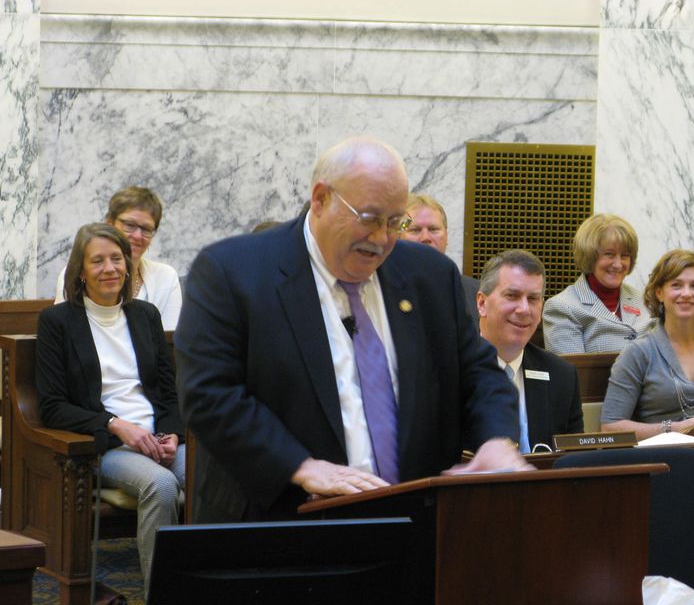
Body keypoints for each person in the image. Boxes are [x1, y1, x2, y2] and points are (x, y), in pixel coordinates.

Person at [174, 136, 530, 522]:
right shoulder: (233, 272)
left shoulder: (430, 276)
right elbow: (209, 394)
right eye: (369, 218)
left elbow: (478, 374)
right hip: (281, 525)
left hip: (411, 528)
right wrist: (301, 466)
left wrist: (496, 441)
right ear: (321, 198)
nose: (381, 239)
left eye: (396, 222)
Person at [36, 223, 185, 591]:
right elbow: (53, 407)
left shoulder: (145, 315)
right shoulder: (58, 322)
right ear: (81, 271)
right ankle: (159, 593)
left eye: (117, 258)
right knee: (163, 487)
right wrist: (117, 425)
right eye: (98, 261)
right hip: (106, 444)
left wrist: (172, 433)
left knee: (219, 473)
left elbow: (168, 391)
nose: (110, 268)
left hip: (159, 437)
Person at [601, 249, 694, 439]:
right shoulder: (638, 352)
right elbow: (610, 427)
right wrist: (674, 428)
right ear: (660, 292)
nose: (686, 294)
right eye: (676, 285)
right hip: (663, 457)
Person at [477, 250, 583, 452]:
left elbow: (574, 462)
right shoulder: (450, 370)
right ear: (482, 303)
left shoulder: (562, 376)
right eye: (512, 296)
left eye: (533, 299)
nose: (524, 309)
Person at [55, 186, 182, 330]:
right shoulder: (78, 272)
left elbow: (169, 341)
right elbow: (64, 330)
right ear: (109, 223)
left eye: (146, 229)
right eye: (129, 225)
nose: (137, 236)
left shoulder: (166, 276)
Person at [543, 213, 655, 354]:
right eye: (609, 254)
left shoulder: (645, 300)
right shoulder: (563, 307)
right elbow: (571, 373)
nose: (618, 264)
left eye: (625, 255)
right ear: (589, 256)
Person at [401, 193, 480, 320]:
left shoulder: (475, 292)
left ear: (447, 236)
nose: (425, 238)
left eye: (433, 229)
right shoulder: (383, 290)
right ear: (398, 237)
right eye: (415, 230)